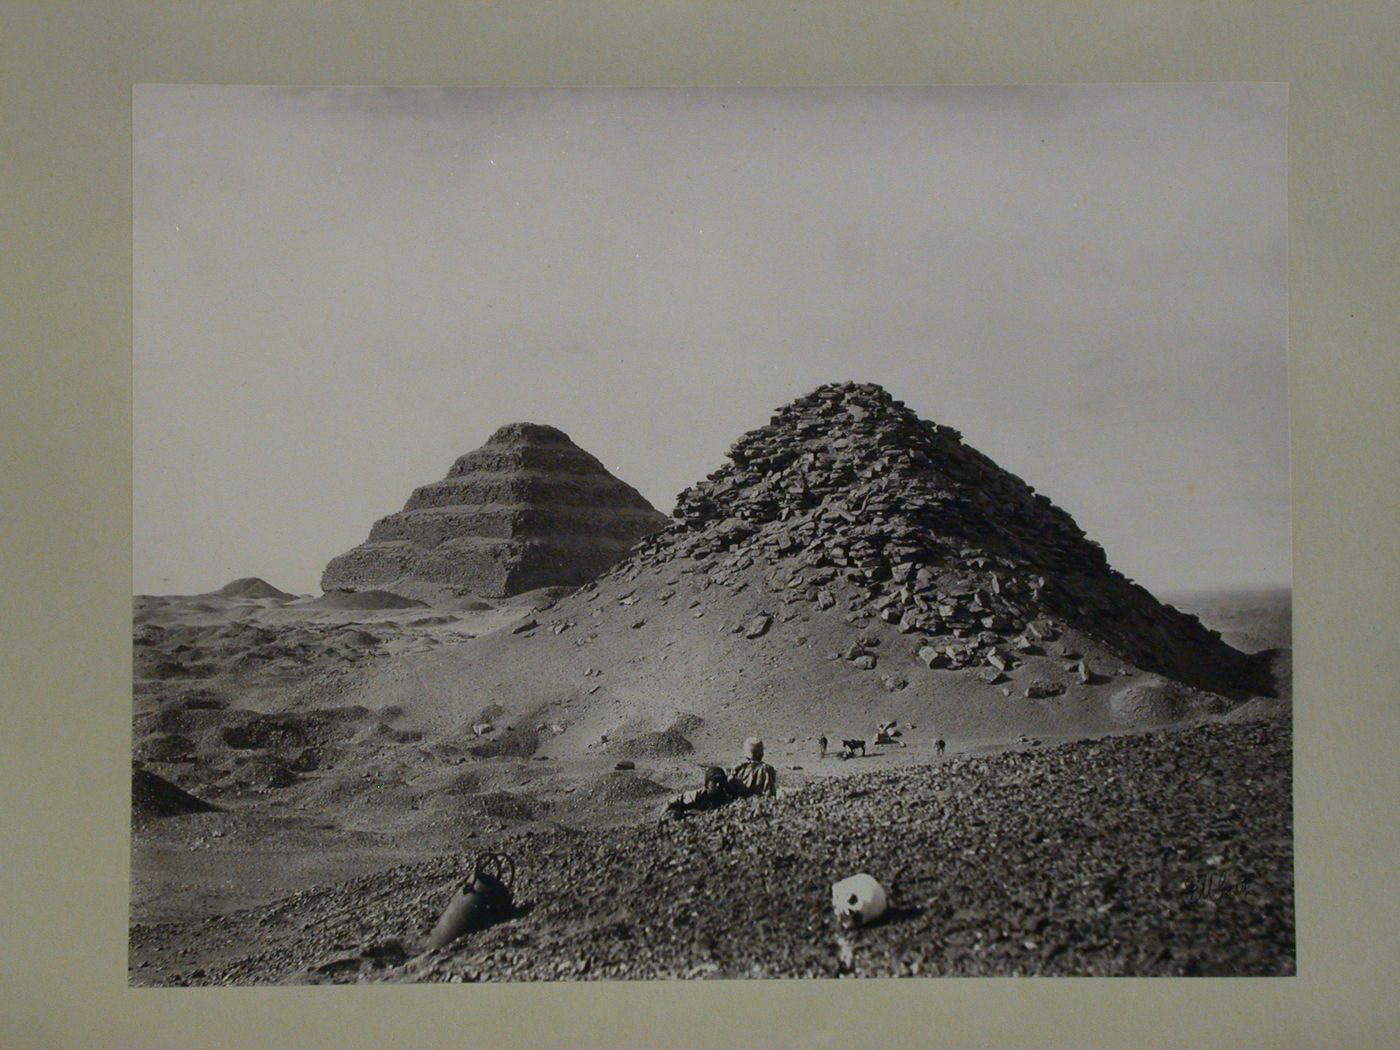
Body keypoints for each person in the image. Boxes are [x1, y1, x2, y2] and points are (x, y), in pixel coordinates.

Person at [663, 765, 733, 819]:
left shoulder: (725, 796)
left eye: (720, 782)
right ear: (707, 784)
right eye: (714, 782)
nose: (718, 785)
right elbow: (670, 802)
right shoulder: (697, 795)